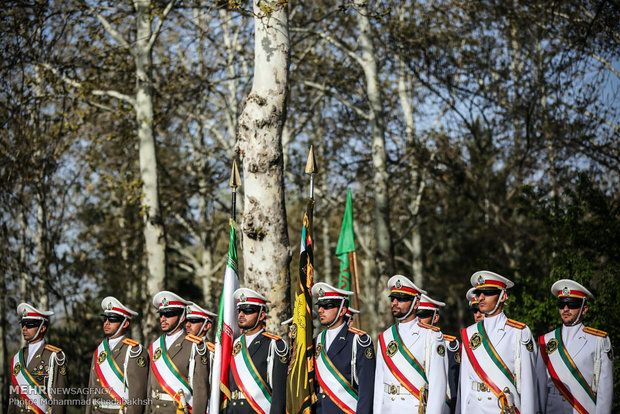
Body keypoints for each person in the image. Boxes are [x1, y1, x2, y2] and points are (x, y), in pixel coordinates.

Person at [459, 270, 537, 414]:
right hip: (474, 408)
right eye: (478, 293)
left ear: (503, 296)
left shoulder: (519, 332)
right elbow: (465, 383)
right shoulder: (469, 333)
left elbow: (528, 386)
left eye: (487, 293)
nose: (481, 298)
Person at [536, 279, 613, 413]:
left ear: (584, 309)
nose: (566, 309)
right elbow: (540, 385)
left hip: (583, 408)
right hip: (552, 409)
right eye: (562, 304)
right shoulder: (546, 340)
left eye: (572, 304)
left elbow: (604, 390)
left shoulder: (599, 340)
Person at [373, 275, 448, 414]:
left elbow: (438, 386)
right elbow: (379, 385)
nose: (394, 303)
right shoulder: (385, 337)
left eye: (401, 299)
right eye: (393, 298)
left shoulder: (432, 336)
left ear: (416, 303)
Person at [311, 282, 375, 414]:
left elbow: (366, 389)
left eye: (327, 306)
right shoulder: (316, 341)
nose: (320, 310)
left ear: (342, 310)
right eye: (320, 306)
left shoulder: (359, 341)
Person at [224, 288, 288, 414]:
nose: (241, 315)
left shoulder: (274, 345)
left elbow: (279, 392)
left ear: (261, 315)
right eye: (239, 310)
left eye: (247, 311)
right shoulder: (234, 344)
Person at [146, 291, 209, 414]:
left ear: (182, 317)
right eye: (161, 314)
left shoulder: (195, 346)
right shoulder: (154, 346)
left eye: (169, 314)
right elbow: (150, 388)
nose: (163, 318)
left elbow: (201, 390)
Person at [86, 296, 149, 414]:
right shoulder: (99, 350)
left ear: (125, 324)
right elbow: (91, 390)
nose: (106, 323)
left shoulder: (134, 351)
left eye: (112, 319)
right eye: (105, 319)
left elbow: (137, 394)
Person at [9, 303, 67, 414]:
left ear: (42, 328)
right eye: (23, 324)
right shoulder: (18, 357)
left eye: (29, 325)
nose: (24, 328)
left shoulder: (55, 357)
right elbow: (13, 399)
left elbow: (59, 399)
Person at [417, 294, 459, 414]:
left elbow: (453, 387)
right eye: (416, 315)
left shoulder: (448, 344)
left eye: (423, 315)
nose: (418, 319)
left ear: (435, 318)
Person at [185, 302, 217, 390]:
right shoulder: (181, 345)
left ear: (206, 326)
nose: (187, 324)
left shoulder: (211, 351)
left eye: (193, 321)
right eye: (186, 321)